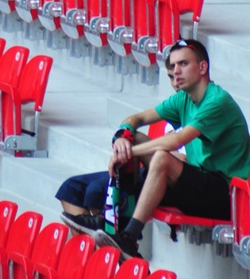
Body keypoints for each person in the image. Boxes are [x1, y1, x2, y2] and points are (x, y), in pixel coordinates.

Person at [94, 38, 250, 261]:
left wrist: (129, 152)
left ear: (203, 67)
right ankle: (116, 218)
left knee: (161, 159)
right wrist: (123, 136)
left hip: (226, 194)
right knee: (136, 139)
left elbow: (175, 141)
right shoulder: (183, 98)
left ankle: (129, 238)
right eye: (173, 66)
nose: (175, 71)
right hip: (201, 179)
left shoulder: (217, 101)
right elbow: (137, 118)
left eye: (183, 64)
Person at [56, 55, 183, 235]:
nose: (176, 80)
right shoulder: (179, 103)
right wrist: (122, 136)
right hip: (150, 168)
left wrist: (132, 150)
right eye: (170, 76)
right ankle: (96, 250)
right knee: (71, 187)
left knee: (95, 191)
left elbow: (183, 157)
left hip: (170, 178)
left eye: (182, 67)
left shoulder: (209, 106)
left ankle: (109, 240)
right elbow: (134, 120)